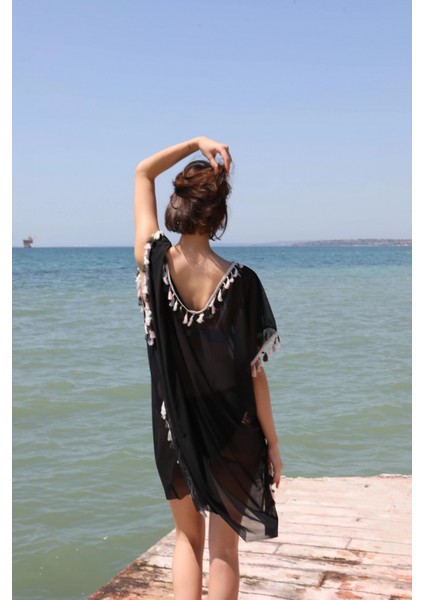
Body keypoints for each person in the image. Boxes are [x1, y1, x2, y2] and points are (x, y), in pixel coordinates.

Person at [134, 136, 283, 600]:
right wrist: (273, 442)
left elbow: (143, 172)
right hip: (232, 429)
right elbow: (255, 375)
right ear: (219, 216)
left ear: (179, 203)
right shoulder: (243, 282)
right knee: (224, 550)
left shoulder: (153, 261)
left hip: (173, 426)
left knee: (186, 540)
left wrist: (195, 142)